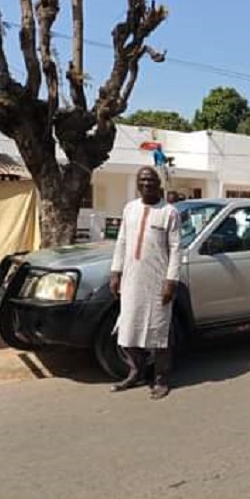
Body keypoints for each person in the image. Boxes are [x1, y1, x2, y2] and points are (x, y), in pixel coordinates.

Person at [110, 167, 181, 400]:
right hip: (131, 280)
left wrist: (171, 281)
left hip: (158, 281)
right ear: (138, 184)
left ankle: (161, 378)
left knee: (158, 333)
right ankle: (137, 371)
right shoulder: (130, 209)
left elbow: (176, 249)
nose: (147, 184)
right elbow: (121, 242)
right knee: (127, 330)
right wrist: (115, 272)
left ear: (158, 184)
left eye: (151, 180)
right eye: (143, 180)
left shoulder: (169, 212)